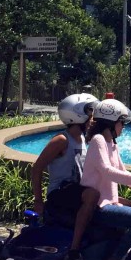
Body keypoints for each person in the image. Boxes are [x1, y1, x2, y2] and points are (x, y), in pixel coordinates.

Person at [65, 98, 131, 260]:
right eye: (121, 123)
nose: (123, 127)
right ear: (110, 123)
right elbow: (107, 171)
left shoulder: (112, 144)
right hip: (99, 207)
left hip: (111, 203)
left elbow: (121, 173)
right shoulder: (98, 141)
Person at [31, 93, 100, 225]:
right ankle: (75, 245)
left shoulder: (83, 140)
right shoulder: (62, 140)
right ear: (77, 115)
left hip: (76, 192)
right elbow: (37, 168)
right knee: (92, 195)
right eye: (90, 115)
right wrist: (38, 201)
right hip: (59, 193)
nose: (92, 120)